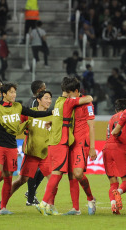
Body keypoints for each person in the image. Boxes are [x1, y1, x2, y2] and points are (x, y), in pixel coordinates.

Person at [0, 83, 52, 214]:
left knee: (8, 177)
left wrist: (53, 112)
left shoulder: (18, 107)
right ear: (4, 94)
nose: (14, 95)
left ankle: (3, 207)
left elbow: (35, 113)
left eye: (15, 92)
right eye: (11, 92)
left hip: (12, 147)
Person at [35, 77, 93, 216]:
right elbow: (86, 99)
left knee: (69, 174)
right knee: (58, 174)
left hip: (63, 142)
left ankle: (54, 205)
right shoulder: (68, 102)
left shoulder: (58, 102)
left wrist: (51, 122)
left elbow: (59, 117)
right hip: (62, 142)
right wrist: (89, 96)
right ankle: (45, 203)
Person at [9, 91, 53, 208]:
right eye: (46, 98)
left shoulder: (53, 115)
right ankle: (2, 203)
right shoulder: (29, 113)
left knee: (54, 180)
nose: (49, 101)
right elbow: (17, 127)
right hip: (31, 153)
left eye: (50, 98)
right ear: (38, 99)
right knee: (21, 180)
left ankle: (47, 205)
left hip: (45, 154)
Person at [65, 90, 97, 216]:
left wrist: (92, 147)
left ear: (76, 91)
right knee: (71, 175)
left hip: (81, 143)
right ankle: (75, 208)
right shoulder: (67, 102)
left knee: (78, 173)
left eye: (69, 92)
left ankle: (90, 198)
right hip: (69, 142)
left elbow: (91, 125)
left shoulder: (87, 104)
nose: (67, 95)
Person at [102, 99, 126, 215]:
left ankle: (113, 205)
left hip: (106, 149)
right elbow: (122, 136)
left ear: (116, 109)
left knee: (113, 182)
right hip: (119, 149)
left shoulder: (111, 118)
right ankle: (118, 192)